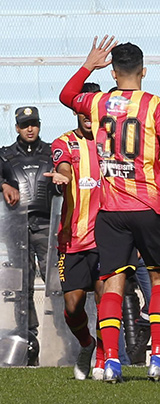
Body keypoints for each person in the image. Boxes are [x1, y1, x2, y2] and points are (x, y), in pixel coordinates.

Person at [59, 36, 160, 383]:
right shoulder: (155, 105)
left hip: (111, 212)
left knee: (113, 281)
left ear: (114, 72)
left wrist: (89, 64)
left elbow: (65, 96)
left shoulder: (98, 103)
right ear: (143, 71)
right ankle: (158, 360)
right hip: (149, 207)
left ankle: (110, 364)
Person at [47, 82, 105, 380]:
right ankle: (87, 344)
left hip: (108, 237)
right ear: (75, 110)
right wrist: (62, 177)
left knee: (107, 299)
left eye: (91, 108)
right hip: (72, 239)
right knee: (72, 307)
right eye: (81, 108)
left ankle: (105, 362)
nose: (86, 114)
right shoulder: (64, 143)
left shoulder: (112, 143)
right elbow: (65, 167)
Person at [0, 105, 57, 366]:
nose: (30, 128)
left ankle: (63, 339)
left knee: (55, 284)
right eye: (25, 125)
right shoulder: (5, 156)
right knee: (19, 287)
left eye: (33, 123)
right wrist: (3, 184)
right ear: (17, 128)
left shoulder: (52, 153)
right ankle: (26, 339)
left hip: (46, 227)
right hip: (16, 230)